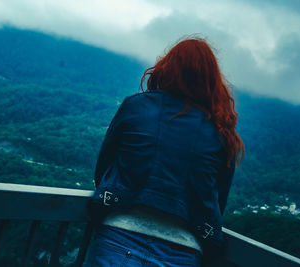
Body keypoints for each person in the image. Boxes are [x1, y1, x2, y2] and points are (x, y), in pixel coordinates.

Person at [84, 37, 244, 267]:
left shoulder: (136, 106)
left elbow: (104, 168)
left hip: (119, 237)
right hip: (182, 252)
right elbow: (218, 199)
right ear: (211, 80)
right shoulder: (221, 133)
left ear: (167, 67)